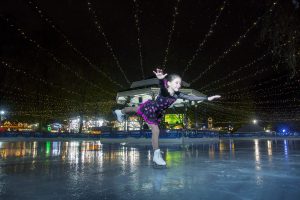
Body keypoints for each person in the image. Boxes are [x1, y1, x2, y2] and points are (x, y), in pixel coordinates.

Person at [113, 68, 220, 167]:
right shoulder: (165, 90)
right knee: (155, 130)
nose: (179, 85)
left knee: (136, 109)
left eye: (179, 83)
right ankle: (156, 155)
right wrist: (160, 79)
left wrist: (207, 98)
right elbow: (162, 85)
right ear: (169, 83)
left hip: (157, 112)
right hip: (151, 109)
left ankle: (120, 111)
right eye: (176, 82)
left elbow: (190, 97)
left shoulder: (177, 94)